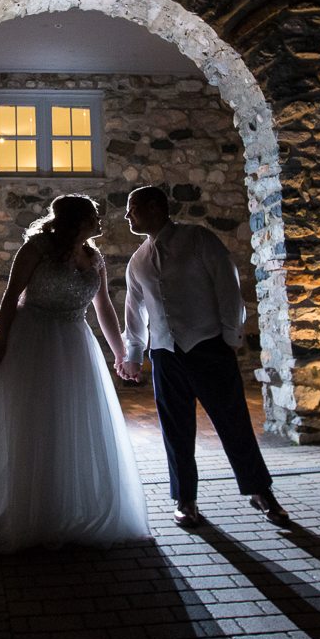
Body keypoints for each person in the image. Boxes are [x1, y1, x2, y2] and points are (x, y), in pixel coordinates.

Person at [0, 194, 150, 551]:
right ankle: (22, 510)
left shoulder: (94, 258)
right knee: (31, 424)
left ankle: (66, 508)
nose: (101, 220)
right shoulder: (36, 249)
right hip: (32, 341)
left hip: (75, 343)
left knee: (71, 422)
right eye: (94, 215)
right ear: (77, 220)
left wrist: (120, 353)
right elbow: (11, 295)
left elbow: (104, 306)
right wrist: (1, 339)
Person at [117, 184, 289, 529]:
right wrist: (134, 353)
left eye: (132, 208)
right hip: (166, 355)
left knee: (233, 423)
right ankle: (185, 500)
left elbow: (228, 285)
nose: (127, 215)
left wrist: (230, 336)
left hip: (209, 347)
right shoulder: (138, 260)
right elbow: (134, 310)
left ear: (154, 207)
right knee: (175, 431)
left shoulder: (199, 240)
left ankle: (261, 492)